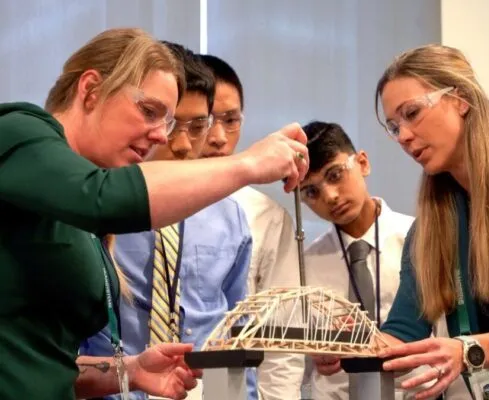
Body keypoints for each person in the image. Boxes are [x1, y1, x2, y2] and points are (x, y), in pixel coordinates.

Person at [0, 28, 308, 400]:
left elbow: (50, 361)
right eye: (149, 112)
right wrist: (249, 164)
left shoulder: (77, 216)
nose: (162, 136)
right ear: (91, 89)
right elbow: (103, 197)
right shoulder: (17, 131)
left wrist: (129, 370)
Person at [320, 44, 489, 400]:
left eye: (412, 113)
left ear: (461, 98)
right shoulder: (430, 228)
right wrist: (354, 343)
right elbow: (403, 335)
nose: (403, 136)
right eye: (394, 126)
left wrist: (468, 349)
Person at [80, 42, 257, 400]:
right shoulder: (95, 202)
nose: (180, 143)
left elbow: (237, 331)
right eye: (170, 123)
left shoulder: (227, 214)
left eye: (197, 126)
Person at [197, 54, 305, 399]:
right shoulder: (142, 202)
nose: (217, 136)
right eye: (204, 121)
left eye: (230, 120)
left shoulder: (266, 217)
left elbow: (283, 344)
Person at [298, 121, 428, 399]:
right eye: (311, 192)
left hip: (415, 392)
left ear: (363, 163)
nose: (330, 196)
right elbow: (300, 360)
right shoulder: (306, 266)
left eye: (335, 175)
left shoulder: (419, 240)